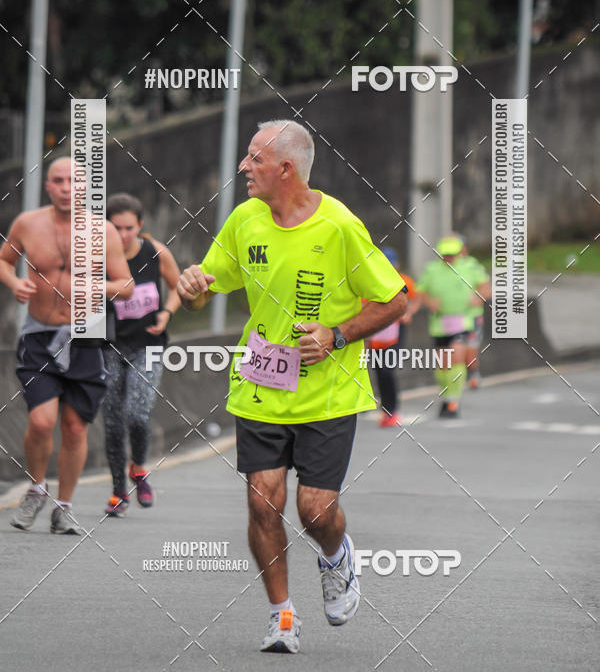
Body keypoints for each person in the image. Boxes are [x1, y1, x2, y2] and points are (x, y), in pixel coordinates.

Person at [176, 120, 408, 654]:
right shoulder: (245, 220)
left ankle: (335, 556)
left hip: (327, 392)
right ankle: (282, 616)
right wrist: (191, 287)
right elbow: (207, 286)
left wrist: (337, 333)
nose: (243, 168)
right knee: (263, 504)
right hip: (259, 384)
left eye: (253, 158)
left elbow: (395, 300)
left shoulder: (340, 227)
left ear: (284, 168)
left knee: (315, 510)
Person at [0, 158, 133, 534]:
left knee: (75, 428)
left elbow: (126, 285)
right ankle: (36, 487)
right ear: (48, 187)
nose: (64, 187)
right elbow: (4, 261)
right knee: (41, 421)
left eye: (73, 181)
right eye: (57, 180)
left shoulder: (102, 230)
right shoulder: (28, 223)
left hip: (86, 334)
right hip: (39, 335)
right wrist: (14, 284)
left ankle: (65, 505)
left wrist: (96, 287)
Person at [102, 193, 181, 516]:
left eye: (129, 228)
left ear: (140, 226)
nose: (122, 235)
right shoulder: (98, 256)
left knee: (137, 412)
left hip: (148, 346)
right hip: (108, 348)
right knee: (111, 421)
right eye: (116, 228)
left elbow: (178, 287)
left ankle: (138, 468)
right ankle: (119, 490)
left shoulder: (155, 252)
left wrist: (166, 314)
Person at [415, 235, 486, 418]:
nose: (449, 258)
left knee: (456, 359)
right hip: (440, 323)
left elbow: (486, 286)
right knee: (442, 367)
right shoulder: (431, 271)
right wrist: (429, 302)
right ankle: (446, 397)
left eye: (452, 255)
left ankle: (454, 400)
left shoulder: (470, 266)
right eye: (445, 255)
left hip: (463, 321)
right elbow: (420, 292)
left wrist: (477, 298)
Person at [367, 246, 418, 427]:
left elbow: (416, 298)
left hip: (396, 332)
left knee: (387, 369)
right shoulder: (370, 281)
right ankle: (386, 412)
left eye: (391, 264)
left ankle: (393, 410)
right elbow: (362, 305)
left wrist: (408, 311)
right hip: (376, 334)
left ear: (396, 264)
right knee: (379, 371)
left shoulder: (405, 281)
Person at [455, 235, 491, 388]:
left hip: (472, 316)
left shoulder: (473, 265)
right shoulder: (442, 267)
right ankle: (458, 376)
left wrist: (477, 298)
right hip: (450, 316)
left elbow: (486, 287)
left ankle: (473, 373)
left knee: (470, 348)